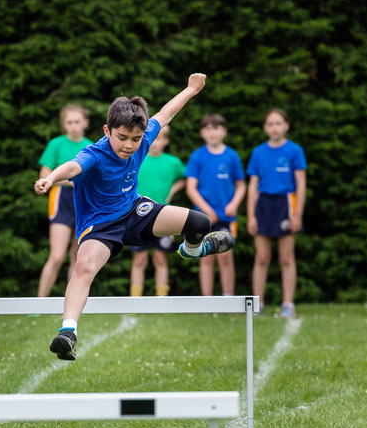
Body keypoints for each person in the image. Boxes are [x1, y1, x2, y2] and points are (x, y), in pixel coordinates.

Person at [34, 74, 234, 360]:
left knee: (199, 223)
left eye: (136, 139)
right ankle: (68, 332)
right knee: (84, 266)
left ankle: (192, 249)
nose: (129, 145)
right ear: (107, 130)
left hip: (134, 212)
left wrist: (190, 89)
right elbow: (72, 167)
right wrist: (51, 178)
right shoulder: (95, 153)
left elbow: (166, 113)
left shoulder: (143, 138)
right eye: (122, 138)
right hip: (100, 227)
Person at [246, 109, 308, 318]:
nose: (275, 128)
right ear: (265, 128)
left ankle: (288, 304)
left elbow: (300, 183)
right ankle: (258, 304)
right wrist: (251, 215)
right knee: (262, 257)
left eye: (278, 123)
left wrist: (297, 214)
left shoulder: (294, 151)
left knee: (286, 258)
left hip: (285, 204)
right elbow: (252, 186)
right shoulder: (258, 152)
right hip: (263, 204)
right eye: (270, 124)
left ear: (286, 126)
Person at [184, 114, 246, 296]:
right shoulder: (197, 156)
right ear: (202, 132)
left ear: (224, 131)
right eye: (208, 129)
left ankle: (228, 298)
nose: (213, 133)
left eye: (217, 128)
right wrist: (207, 210)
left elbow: (241, 185)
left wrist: (234, 204)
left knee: (226, 257)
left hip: (227, 217)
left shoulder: (232, 156)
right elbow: (191, 188)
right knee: (206, 257)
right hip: (203, 218)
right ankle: (207, 300)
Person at [36, 104, 93, 296]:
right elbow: (45, 173)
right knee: (57, 255)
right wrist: (63, 180)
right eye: (69, 122)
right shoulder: (56, 144)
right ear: (64, 124)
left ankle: (71, 301)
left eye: (77, 121)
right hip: (61, 200)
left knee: (78, 257)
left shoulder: (91, 146)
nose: (74, 126)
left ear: (85, 122)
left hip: (84, 202)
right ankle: (39, 302)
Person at [128, 124, 186, 296]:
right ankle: (134, 300)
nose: (155, 143)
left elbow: (185, 179)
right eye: (152, 139)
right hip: (136, 216)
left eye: (159, 139)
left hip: (162, 216)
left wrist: (172, 192)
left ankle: (162, 300)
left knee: (161, 259)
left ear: (166, 141)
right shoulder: (136, 159)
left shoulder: (173, 162)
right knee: (139, 259)